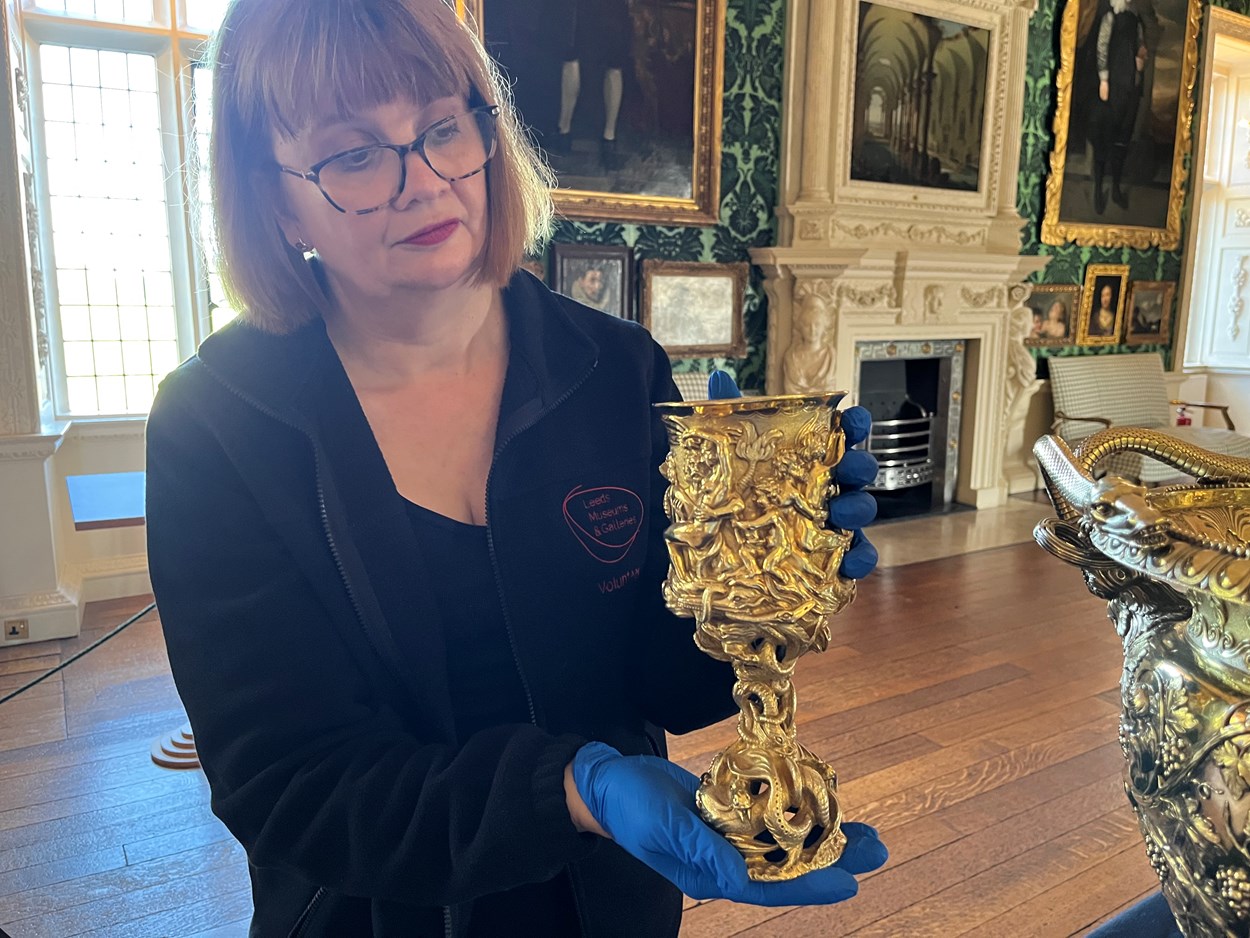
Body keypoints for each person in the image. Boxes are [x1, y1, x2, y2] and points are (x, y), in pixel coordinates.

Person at [143, 2, 886, 936]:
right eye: (356, 155)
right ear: (272, 193)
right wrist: (576, 790)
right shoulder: (216, 424)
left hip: (613, 903)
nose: (423, 182)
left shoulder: (616, 369)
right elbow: (290, 785)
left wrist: (753, 576)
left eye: (444, 128)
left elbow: (666, 685)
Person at [1090, 0, 1147, 214]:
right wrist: (1104, 80)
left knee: (1122, 140)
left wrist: (1141, 56)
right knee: (1105, 138)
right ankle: (1097, 190)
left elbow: (1140, 46)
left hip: (1131, 88)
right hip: (1112, 87)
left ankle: (1115, 188)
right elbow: (1101, 47)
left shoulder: (1135, 19)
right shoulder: (1110, 16)